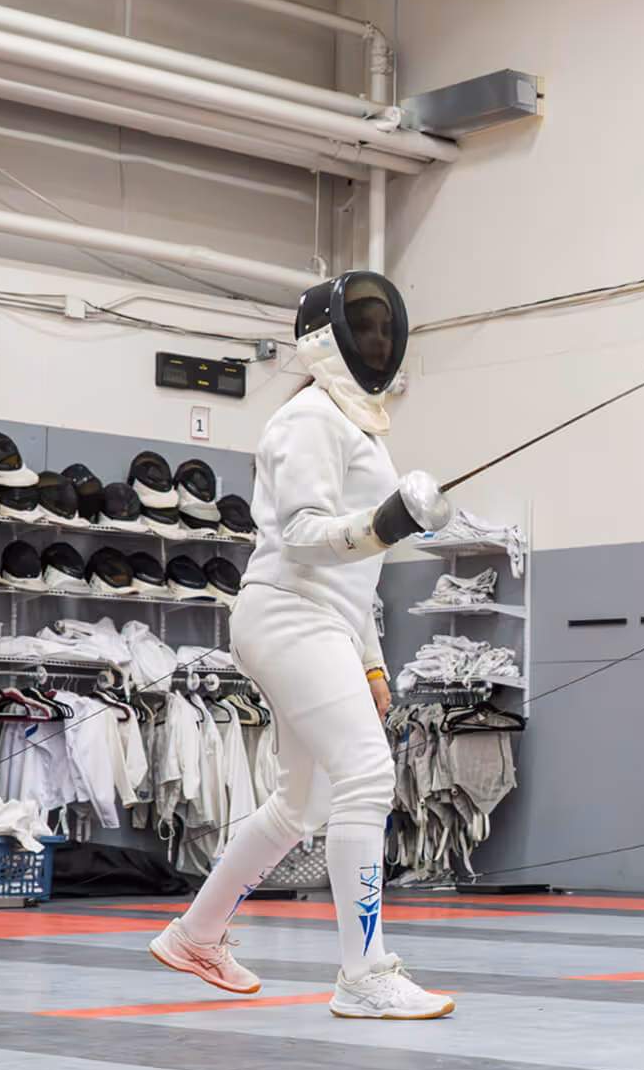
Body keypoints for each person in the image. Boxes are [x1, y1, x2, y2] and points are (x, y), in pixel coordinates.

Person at [149, 271, 457, 1019]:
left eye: (386, 327)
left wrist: (373, 659)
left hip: (324, 622)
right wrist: (387, 522)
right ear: (328, 337)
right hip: (289, 614)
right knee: (366, 775)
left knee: (302, 804)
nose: (379, 340)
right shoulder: (308, 420)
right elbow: (308, 537)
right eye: (366, 325)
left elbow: (357, 575)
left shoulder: (359, 426)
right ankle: (363, 975)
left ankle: (196, 934)